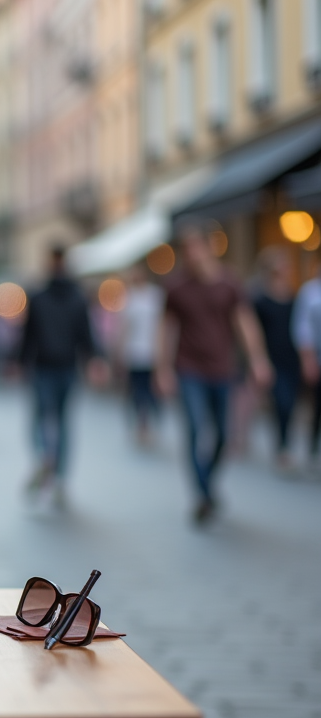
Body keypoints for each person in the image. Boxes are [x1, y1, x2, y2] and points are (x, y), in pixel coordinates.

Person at [156, 219, 272, 523]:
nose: (189, 254)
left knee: (223, 434)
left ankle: (207, 482)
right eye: (186, 248)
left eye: (194, 247)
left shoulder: (229, 283)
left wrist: (258, 359)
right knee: (195, 429)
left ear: (209, 247)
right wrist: (163, 369)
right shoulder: (177, 287)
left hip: (223, 368)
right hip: (189, 368)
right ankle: (203, 494)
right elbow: (166, 330)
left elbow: (244, 323)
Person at [18, 245, 106, 505]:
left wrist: (19, 361)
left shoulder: (38, 296)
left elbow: (27, 335)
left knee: (40, 418)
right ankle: (60, 477)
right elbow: (86, 334)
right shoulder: (77, 297)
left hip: (44, 366)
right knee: (64, 422)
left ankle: (46, 455)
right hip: (66, 366)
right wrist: (96, 358)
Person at [252, 246, 301, 470]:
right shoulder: (260, 299)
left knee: (291, 404)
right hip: (272, 358)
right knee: (282, 402)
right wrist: (258, 359)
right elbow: (254, 332)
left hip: (293, 357)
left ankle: (285, 445)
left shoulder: (292, 295)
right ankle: (281, 447)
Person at [119, 263, 164, 446]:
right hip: (134, 353)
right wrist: (120, 351)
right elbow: (124, 328)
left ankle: (150, 423)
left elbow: (162, 324)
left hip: (153, 353)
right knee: (137, 391)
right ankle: (141, 424)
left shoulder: (156, 295)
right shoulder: (129, 297)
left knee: (152, 391)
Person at [294, 258, 321, 472]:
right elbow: (303, 328)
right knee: (317, 407)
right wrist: (308, 359)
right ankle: (312, 451)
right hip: (317, 358)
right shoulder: (310, 292)